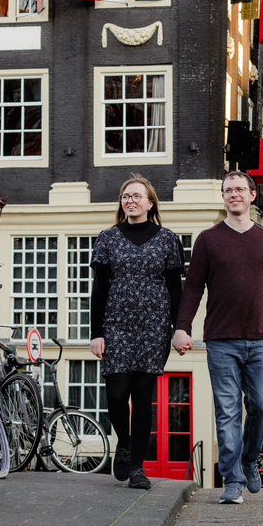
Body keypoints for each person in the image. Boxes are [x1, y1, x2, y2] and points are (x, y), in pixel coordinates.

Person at [172, 171, 263, 504]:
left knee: (262, 406)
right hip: (221, 340)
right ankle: (233, 480)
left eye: (240, 189)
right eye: (227, 190)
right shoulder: (208, 240)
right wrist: (183, 327)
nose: (233, 194)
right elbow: (193, 288)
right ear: (223, 197)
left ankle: (250, 460)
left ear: (253, 196)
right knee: (227, 411)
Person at [90, 175, 184, 490]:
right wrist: (96, 332)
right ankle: (125, 441)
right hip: (115, 325)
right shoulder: (107, 238)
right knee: (117, 394)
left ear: (150, 202)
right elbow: (99, 289)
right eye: (125, 196)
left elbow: (175, 289)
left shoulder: (168, 239)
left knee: (144, 398)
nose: (131, 200)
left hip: (155, 327)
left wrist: (179, 328)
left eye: (137, 196)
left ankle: (137, 469)